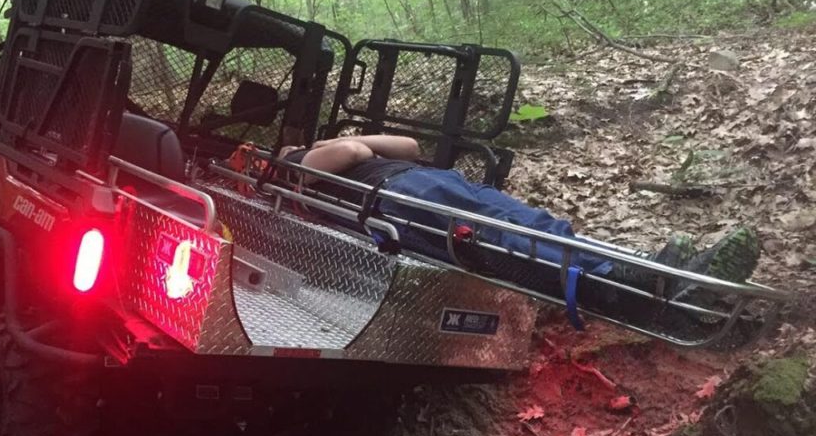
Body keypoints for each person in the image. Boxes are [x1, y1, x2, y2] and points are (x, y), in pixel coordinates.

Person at [276, 134, 761, 294]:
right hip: (402, 196)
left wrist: (356, 138)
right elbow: (351, 151)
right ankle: (627, 279)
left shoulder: (327, 149)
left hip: (424, 181)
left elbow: (411, 145)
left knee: (533, 223)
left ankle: (648, 268)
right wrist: (317, 145)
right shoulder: (301, 165)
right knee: (507, 239)